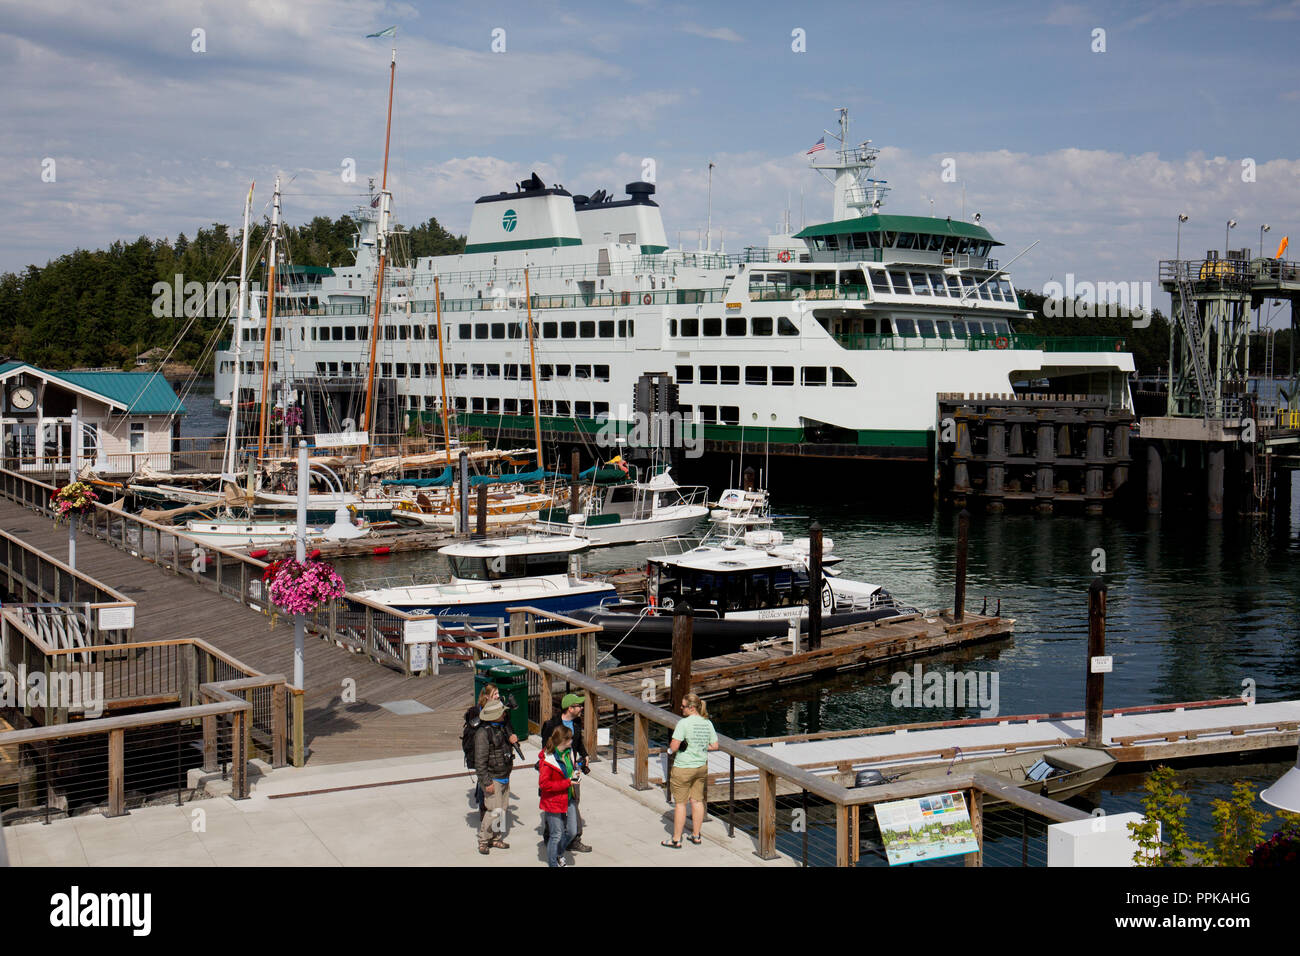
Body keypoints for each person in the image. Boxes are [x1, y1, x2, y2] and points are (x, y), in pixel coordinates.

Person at [662, 693, 719, 848]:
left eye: (683, 706)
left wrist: (669, 751)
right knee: (697, 801)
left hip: (683, 767)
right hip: (700, 767)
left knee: (680, 804)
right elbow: (715, 746)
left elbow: (674, 746)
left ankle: (676, 839)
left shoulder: (683, 723)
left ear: (691, 707)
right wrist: (699, 747)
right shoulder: (707, 723)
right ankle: (696, 835)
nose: (681, 709)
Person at [538, 692, 591, 852]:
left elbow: (578, 742)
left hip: (572, 770)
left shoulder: (576, 723)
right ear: (570, 708)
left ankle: (575, 839)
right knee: (554, 805)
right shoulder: (551, 725)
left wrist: (585, 755)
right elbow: (545, 749)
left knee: (574, 802)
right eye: (578, 705)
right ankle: (550, 837)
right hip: (556, 771)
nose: (581, 707)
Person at [463, 683, 520, 823]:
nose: (498, 696)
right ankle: (485, 838)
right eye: (495, 694)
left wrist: (512, 737)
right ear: (487, 696)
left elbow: (508, 729)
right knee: (491, 805)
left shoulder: (501, 711)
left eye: (498, 693)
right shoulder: (479, 718)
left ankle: (496, 836)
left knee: (499, 808)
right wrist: (486, 780)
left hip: (501, 766)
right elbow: (480, 757)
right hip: (488, 765)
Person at [474, 699, 515, 854]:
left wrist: (512, 742)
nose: (505, 714)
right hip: (492, 777)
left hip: (504, 774)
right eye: (502, 712)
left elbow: (503, 750)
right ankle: (483, 840)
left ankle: (496, 838)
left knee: (502, 810)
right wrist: (486, 781)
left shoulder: (503, 727)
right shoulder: (482, 733)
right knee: (493, 810)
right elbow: (480, 761)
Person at [538, 725, 577, 867]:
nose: (572, 741)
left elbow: (571, 769)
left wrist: (575, 773)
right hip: (553, 802)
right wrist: (567, 782)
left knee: (572, 831)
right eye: (570, 739)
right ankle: (553, 863)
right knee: (556, 834)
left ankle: (559, 853)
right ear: (562, 740)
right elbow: (544, 784)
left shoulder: (569, 752)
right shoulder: (548, 760)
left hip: (569, 798)